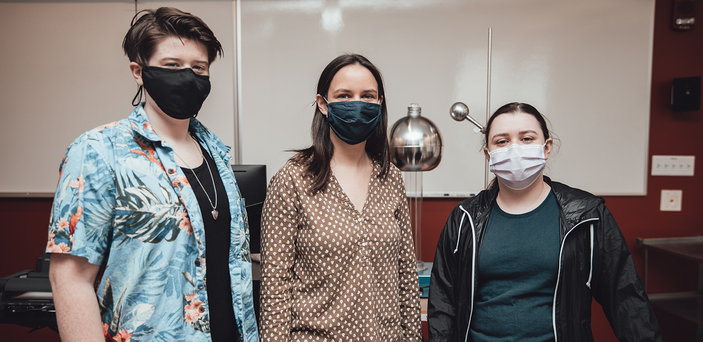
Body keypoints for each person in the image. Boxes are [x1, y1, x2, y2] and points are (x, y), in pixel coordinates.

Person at [46, 7, 259, 341]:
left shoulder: (217, 154)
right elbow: (71, 279)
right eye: (172, 66)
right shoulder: (99, 151)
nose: (188, 76)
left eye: (198, 68)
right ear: (139, 71)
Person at [428, 102, 661, 341]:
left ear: (546, 147)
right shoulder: (465, 218)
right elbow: (443, 302)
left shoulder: (587, 214)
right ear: (489, 155)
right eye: (502, 141)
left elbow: (625, 297)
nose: (514, 148)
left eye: (527, 138)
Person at [259, 54, 421, 341]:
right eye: (344, 95)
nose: (356, 104)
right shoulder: (293, 179)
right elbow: (275, 287)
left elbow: (406, 275)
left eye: (367, 96)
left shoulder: (391, 178)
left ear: (379, 103)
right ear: (323, 103)